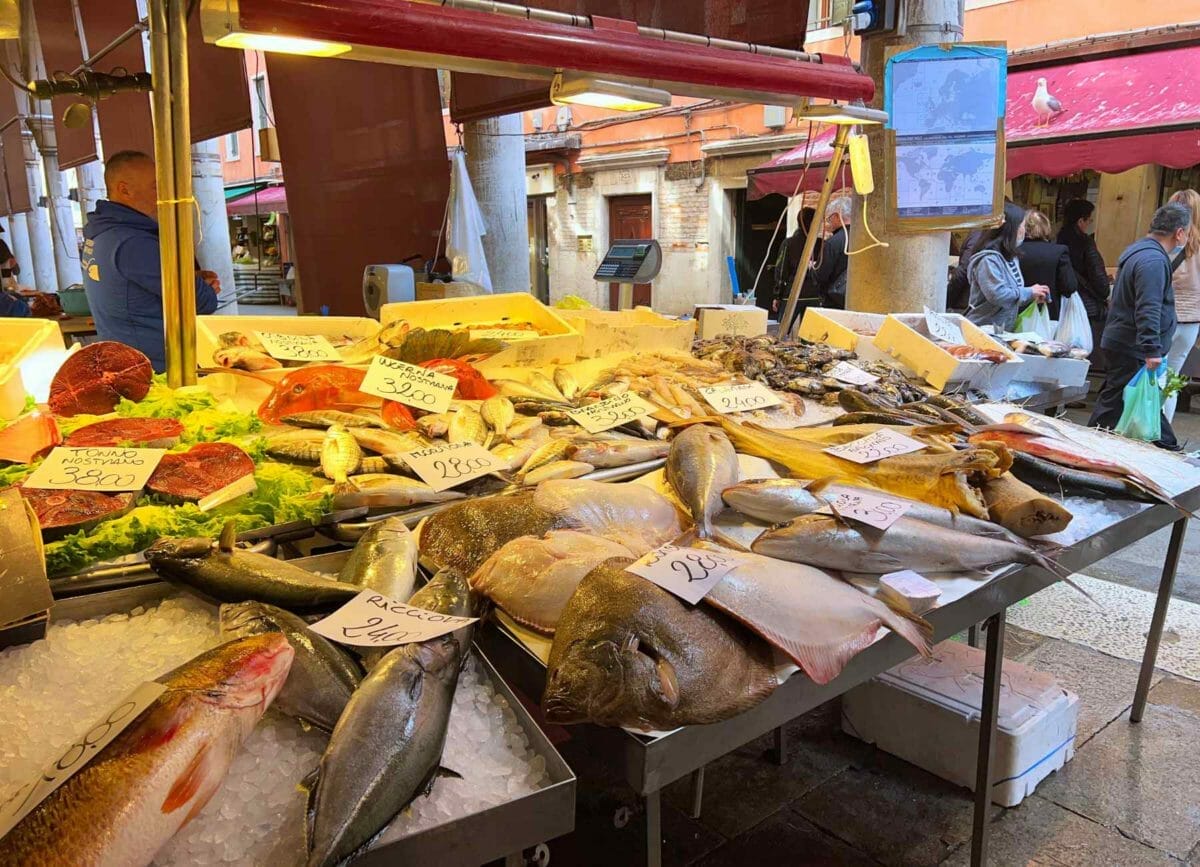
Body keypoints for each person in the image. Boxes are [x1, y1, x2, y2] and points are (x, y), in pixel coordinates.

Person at [82, 150, 220, 372]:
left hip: (125, 361)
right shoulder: (134, 243)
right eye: (156, 186)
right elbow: (200, 301)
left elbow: (138, 285)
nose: (163, 193)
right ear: (124, 189)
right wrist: (205, 289)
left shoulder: (100, 234)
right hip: (159, 370)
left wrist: (190, 277)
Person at [1087, 202, 1191, 450]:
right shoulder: (1153, 260)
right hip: (1132, 344)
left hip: (1124, 340)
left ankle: (1165, 445)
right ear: (1179, 233)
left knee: (1119, 399)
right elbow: (1148, 306)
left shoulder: (1140, 252)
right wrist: (1151, 348)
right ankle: (1168, 447)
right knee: (1120, 400)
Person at [965, 202, 1050, 332]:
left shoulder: (1010, 257)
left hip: (1002, 331)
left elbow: (1012, 295)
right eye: (1022, 225)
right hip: (983, 331)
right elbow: (998, 295)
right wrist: (1029, 292)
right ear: (1011, 229)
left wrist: (1031, 296)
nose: (1024, 230)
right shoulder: (988, 260)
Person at [1056, 199, 1111, 356]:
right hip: (1088, 306)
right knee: (1084, 350)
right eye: (1090, 219)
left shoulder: (1058, 241)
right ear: (1081, 221)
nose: (1090, 224)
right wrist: (1105, 290)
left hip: (1063, 303)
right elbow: (1099, 279)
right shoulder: (1086, 244)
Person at [1165, 189, 1200, 422]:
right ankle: (1163, 430)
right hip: (1192, 321)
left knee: (1151, 376)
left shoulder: (1169, 242)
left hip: (1166, 317)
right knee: (1171, 379)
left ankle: (1147, 428)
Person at [1018, 209, 1077, 321]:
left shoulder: (1013, 251)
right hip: (1049, 314)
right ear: (1046, 227)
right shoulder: (1059, 251)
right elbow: (1070, 286)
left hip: (1017, 313)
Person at [811, 196, 850, 310]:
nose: (829, 223)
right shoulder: (864, 239)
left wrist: (813, 268)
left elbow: (821, 275)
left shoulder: (832, 243)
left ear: (837, 216)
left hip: (834, 304)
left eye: (829, 219)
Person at [946, 228, 985, 311]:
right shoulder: (981, 232)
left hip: (966, 304)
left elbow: (963, 272)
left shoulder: (978, 234)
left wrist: (946, 301)